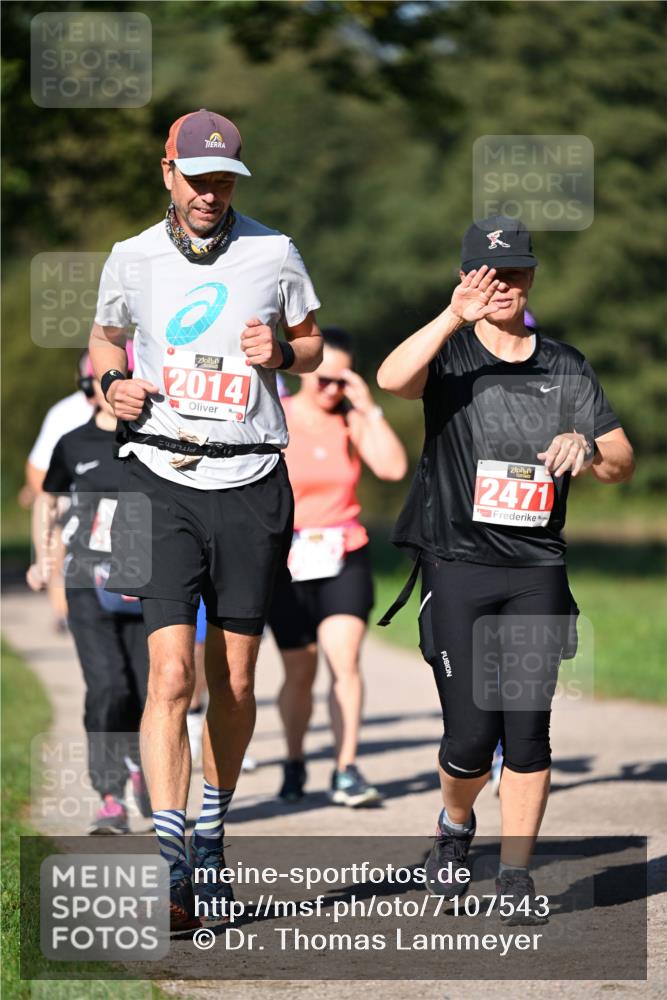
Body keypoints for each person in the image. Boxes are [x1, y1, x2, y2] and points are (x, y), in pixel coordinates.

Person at [88, 108, 322, 930]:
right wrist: (109, 387)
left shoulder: (274, 251)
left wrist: (283, 356)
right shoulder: (130, 258)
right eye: (197, 177)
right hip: (158, 474)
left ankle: (215, 836)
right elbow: (106, 337)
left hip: (251, 475)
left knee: (231, 679)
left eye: (224, 179)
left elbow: (313, 341)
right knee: (169, 678)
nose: (210, 193)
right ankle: (173, 859)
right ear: (167, 173)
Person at [377, 216, 634, 921]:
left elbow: (620, 461)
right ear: (466, 277)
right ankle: (455, 828)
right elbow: (392, 379)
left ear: (530, 278)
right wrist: (449, 316)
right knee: (467, 738)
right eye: (488, 274)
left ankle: (516, 874)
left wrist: (586, 446)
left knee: (526, 731)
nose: (502, 285)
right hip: (457, 566)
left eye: (514, 273)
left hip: (533, 571)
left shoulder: (565, 366)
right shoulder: (450, 357)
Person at [268, 327, 407, 806]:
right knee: (299, 672)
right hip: (286, 562)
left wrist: (367, 407)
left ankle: (346, 768)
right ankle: (293, 759)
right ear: (307, 372)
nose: (332, 388)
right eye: (324, 378)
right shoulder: (277, 415)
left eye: (342, 380)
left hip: (344, 552)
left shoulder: (352, 420)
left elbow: (392, 468)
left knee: (344, 662)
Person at [27, 344, 151, 834]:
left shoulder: (156, 440)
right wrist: (43, 557)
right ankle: (109, 796)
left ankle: (145, 765)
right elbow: (48, 500)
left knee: (151, 692)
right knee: (107, 689)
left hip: (149, 584)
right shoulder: (72, 443)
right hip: (87, 581)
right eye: (99, 378)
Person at [21, 352, 97, 630]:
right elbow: (38, 467)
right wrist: (41, 493)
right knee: (56, 532)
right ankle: (64, 612)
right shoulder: (64, 413)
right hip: (71, 496)